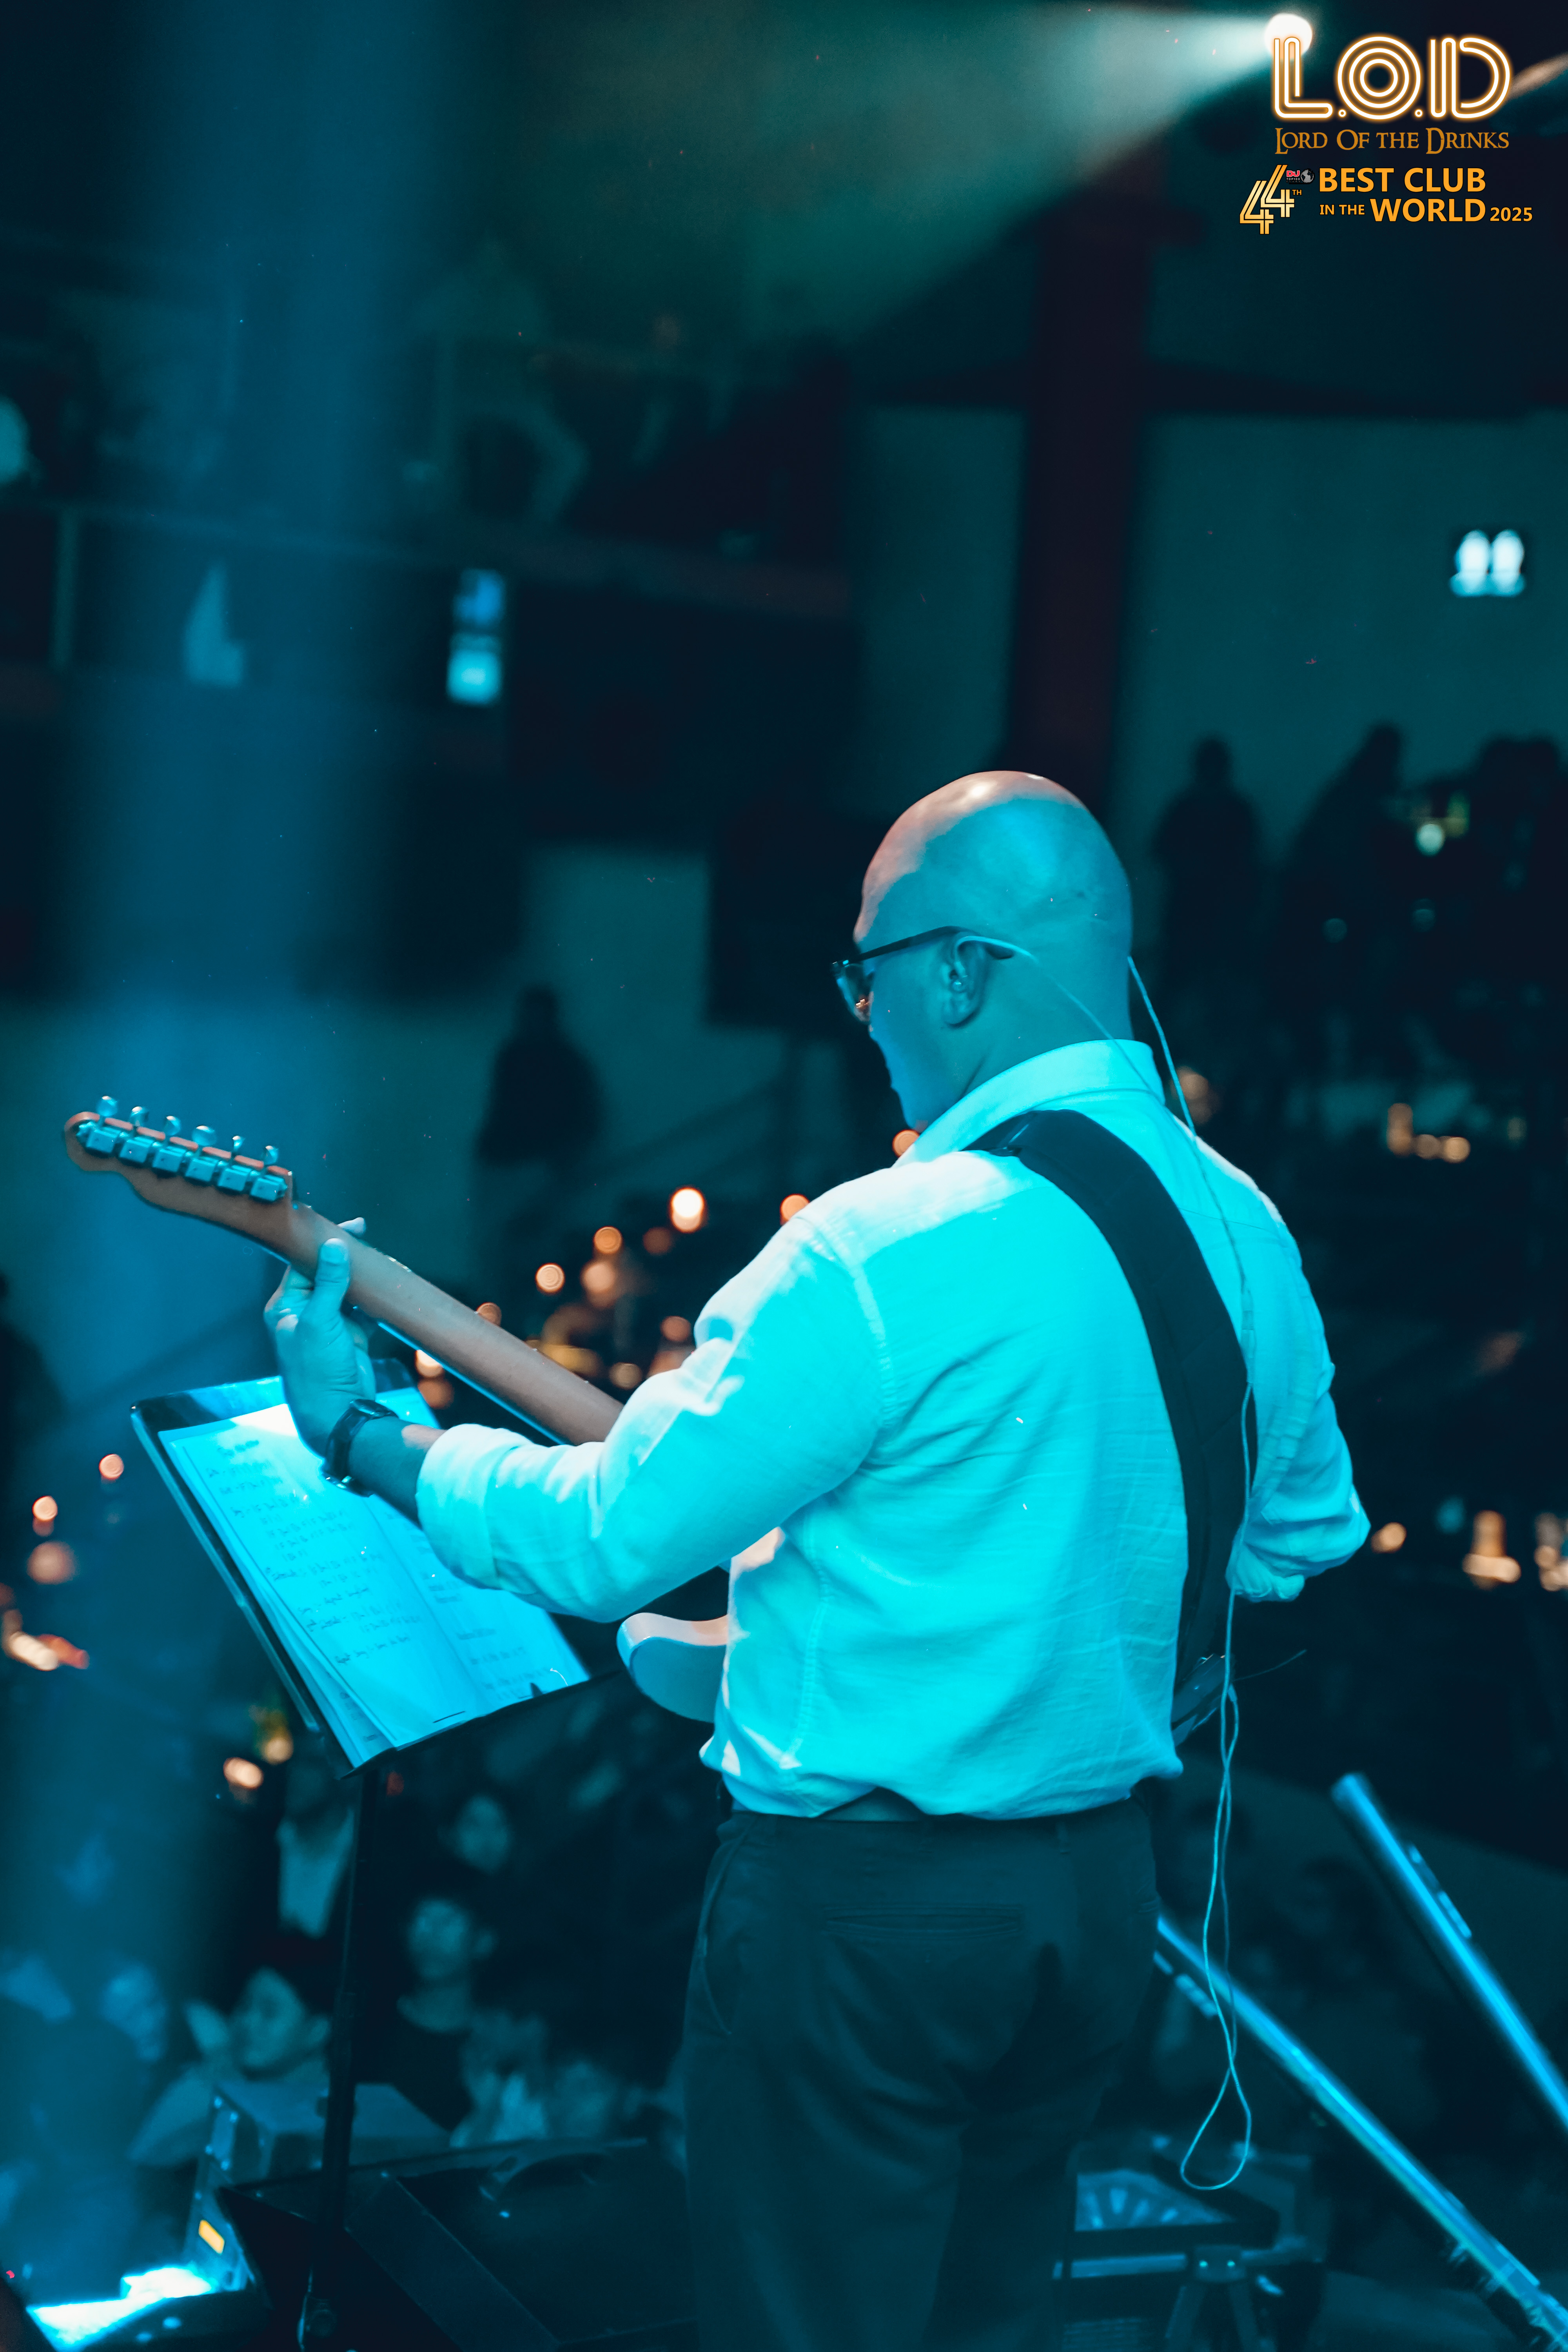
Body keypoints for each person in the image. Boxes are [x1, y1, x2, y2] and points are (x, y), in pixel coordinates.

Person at [268, 770, 1367, 2352]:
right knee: (986, 2325)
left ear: (963, 972)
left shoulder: (886, 1242)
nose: (864, 1018)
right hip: (1095, 1900)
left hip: (870, 1913)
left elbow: (599, 1540)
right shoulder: (1244, 1224)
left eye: (869, 972)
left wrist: (362, 1437)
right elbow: (1296, 1543)